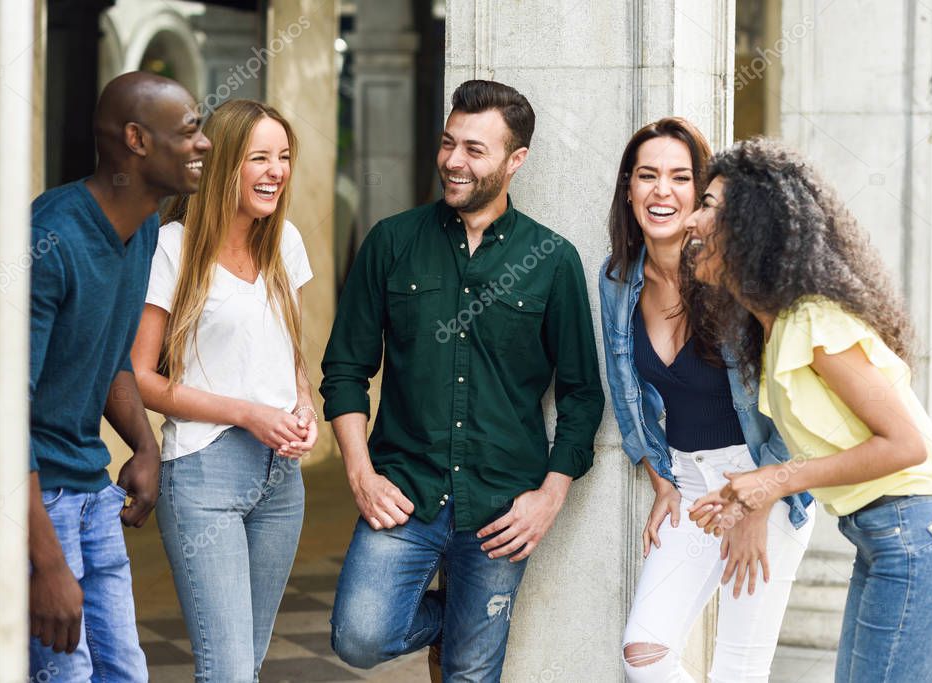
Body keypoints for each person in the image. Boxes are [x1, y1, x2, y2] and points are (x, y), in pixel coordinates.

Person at [320, 79, 604, 681]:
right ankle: (470, 617)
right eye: (449, 143)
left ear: (515, 160)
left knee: (472, 672)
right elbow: (345, 367)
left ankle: (476, 625)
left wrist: (548, 499)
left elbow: (582, 395)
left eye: (475, 149)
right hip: (404, 492)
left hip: (502, 508)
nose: (453, 160)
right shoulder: (392, 244)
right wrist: (359, 473)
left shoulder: (551, 261)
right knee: (359, 637)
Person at [685, 137, 932, 682]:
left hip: (916, 534)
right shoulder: (774, 325)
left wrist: (776, 480)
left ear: (752, 223)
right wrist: (751, 491)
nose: (692, 219)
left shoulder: (813, 319)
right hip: (883, 536)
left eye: (710, 205)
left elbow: (906, 445)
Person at [598, 118, 814, 682]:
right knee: (643, 654)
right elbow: (623, 387)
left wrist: (758, 500)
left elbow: (792, 402)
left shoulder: (737, 279)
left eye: (679, 177)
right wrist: (659, 474)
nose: (661, 191)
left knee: (736, 670)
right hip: (692, 489)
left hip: (761, 479)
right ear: (629, 188)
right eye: (647, 176)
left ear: (700, 195)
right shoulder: (618, 280)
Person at [28, 72, 211, 680]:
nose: (205, 144)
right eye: (190, 130)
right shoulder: (51, 238)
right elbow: (2, 415)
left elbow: (106, 358)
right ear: (136, 139)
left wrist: (144, 444)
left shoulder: (144, 232)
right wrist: (47, 563)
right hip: (38, 502)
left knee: (124, 671)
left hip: (92, 492)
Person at [129, 99, 317, 682]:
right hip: (205, 475)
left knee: (247, 667)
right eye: (258, 157)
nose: (275, 171)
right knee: (228, 671)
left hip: (281, 481)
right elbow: (140, 378)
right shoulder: (172, 248)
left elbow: (290, 358)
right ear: (223, 165)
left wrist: (303, 403)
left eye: (283, 157)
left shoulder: (284, 241)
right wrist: (248, 414)